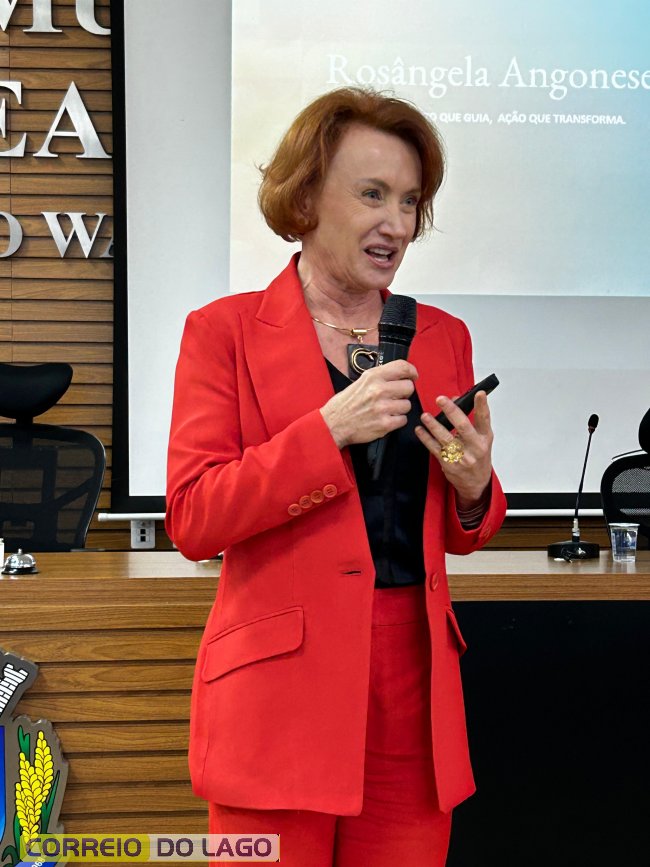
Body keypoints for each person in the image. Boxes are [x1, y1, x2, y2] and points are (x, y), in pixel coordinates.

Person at [166, 87, 507, 867]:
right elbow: (193, 517)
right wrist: (325, 433)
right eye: (373, 194)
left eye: (411, 201)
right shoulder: (223, 332)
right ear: (306, 198)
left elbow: (467, 529)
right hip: (278, 692)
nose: (398, 223)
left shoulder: (442, 336)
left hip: (413, 691)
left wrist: (473, 486)